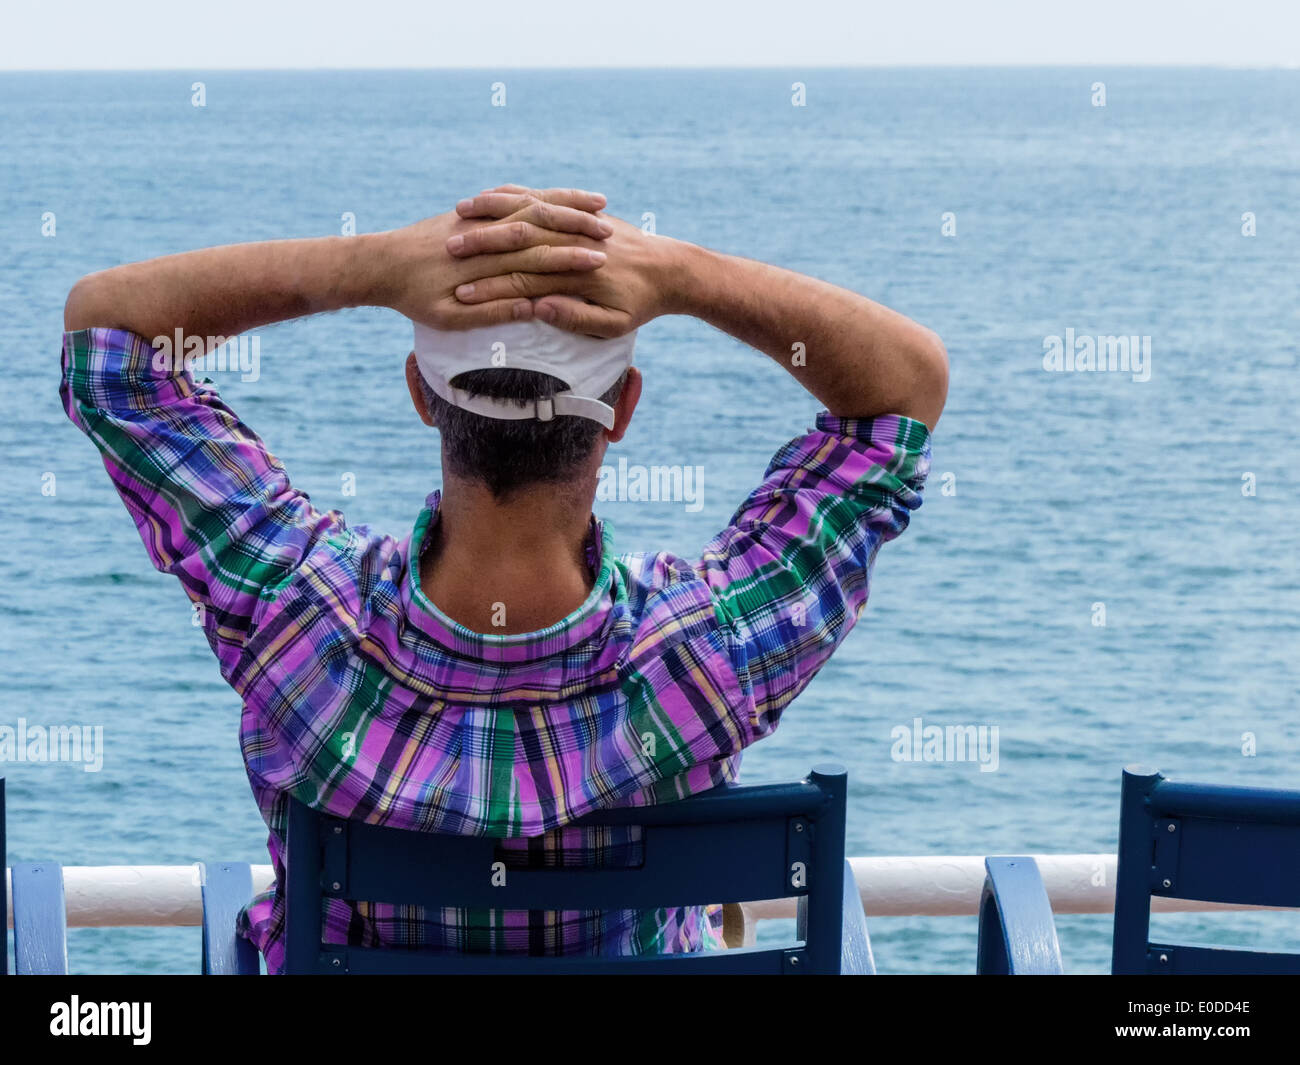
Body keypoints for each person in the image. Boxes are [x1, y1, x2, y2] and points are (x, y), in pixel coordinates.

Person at [61, 184, 947, 971]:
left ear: (420, 392)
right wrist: (680, 275)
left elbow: (108, 343)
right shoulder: (712, 652)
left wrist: (369, 266)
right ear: (624, 408)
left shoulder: (298, 616)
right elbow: (903, 392)